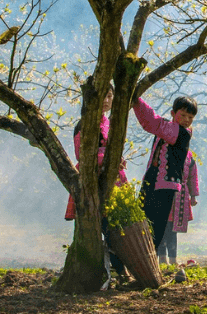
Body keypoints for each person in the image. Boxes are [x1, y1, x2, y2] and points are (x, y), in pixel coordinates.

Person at [63, 87, 131, 282]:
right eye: (103, 95)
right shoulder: (84, 124)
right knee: (104, 226)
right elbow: (82, 156)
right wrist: (108, 159)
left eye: (110, 95)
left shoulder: (109, 123)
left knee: (116, 227)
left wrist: (118, 158)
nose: (107, 100)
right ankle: (117, 271)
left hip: (112, 180)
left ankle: (120, 269)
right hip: (93, 183)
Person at [134, 95, 198, 268]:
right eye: (183, 115)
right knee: (142, 222)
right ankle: (138, 260)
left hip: (164, 186)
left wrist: (136, 100)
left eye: (190, 118)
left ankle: (146, 264)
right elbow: (152, 123)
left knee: (154, 226)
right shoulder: (169, 128)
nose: (186, 120)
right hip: (153, 182)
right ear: (173, 113)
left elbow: (151, 122)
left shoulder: (181, 133)